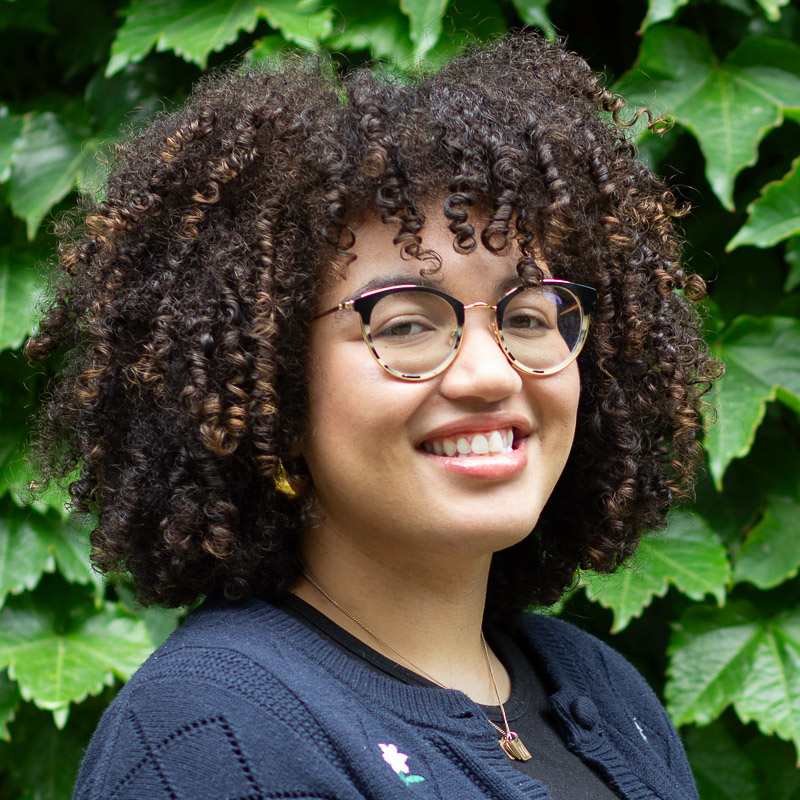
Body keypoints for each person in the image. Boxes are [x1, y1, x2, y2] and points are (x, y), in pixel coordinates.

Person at [26, 31, 719, 800]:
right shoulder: (215, 737)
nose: (492, 374)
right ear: (274, 388)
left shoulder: (608, 694)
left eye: (528, 315)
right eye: (406, 324)